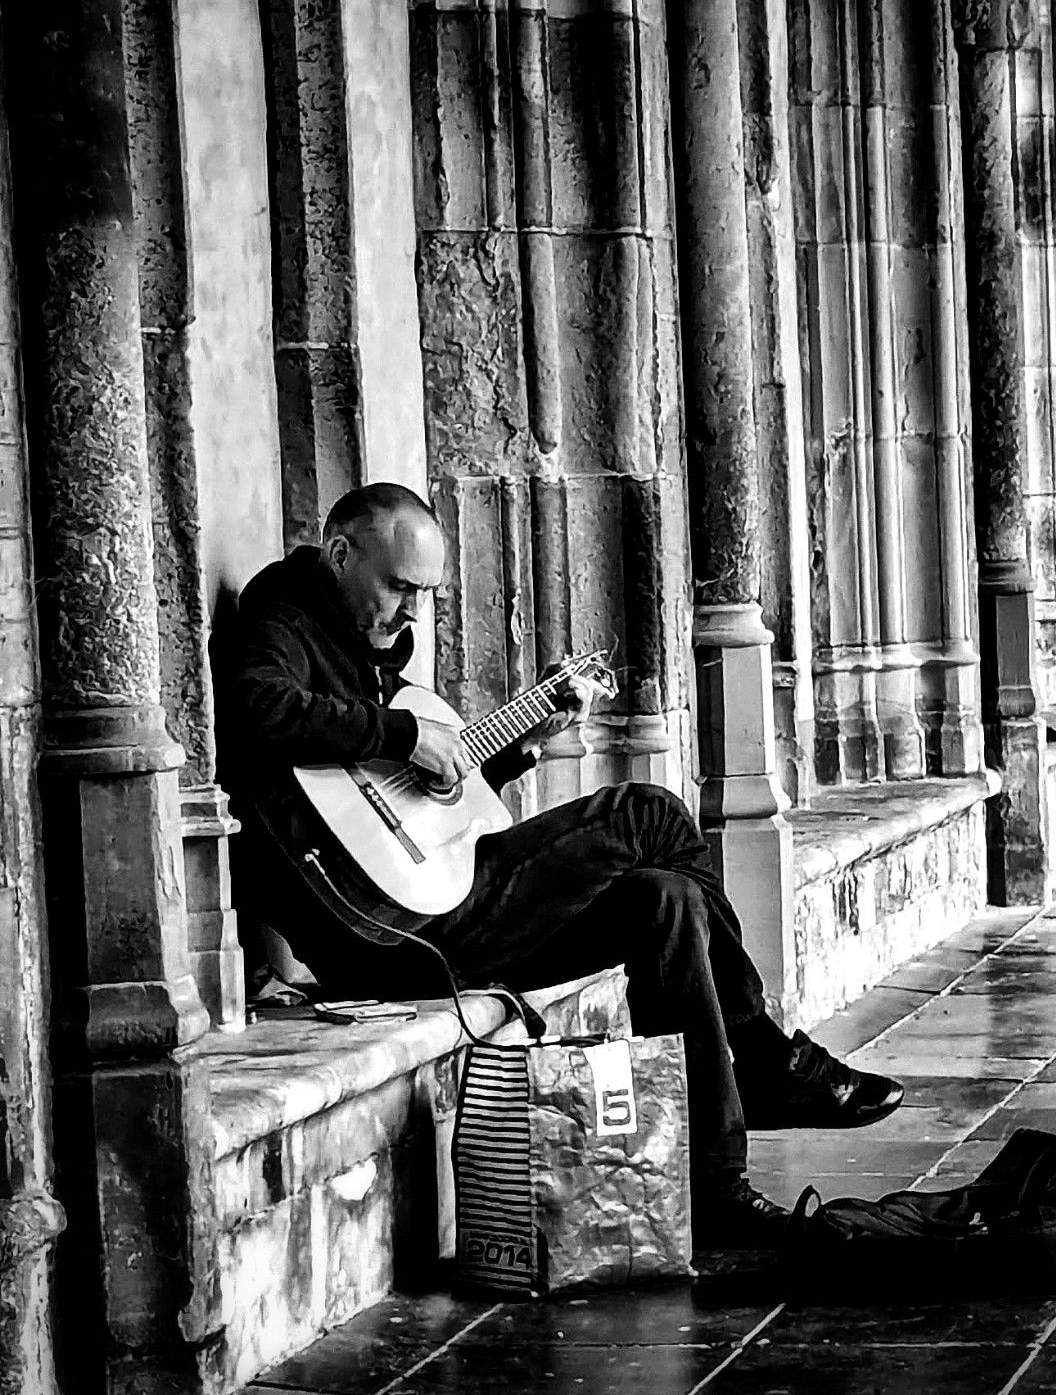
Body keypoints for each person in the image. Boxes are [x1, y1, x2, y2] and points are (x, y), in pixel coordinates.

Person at [216, 482, 905, 1250]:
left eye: (425, 595)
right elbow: (256, 708)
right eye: (399, 588)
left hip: (436, 901)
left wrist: (515, 745)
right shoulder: (280, 613)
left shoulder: (366, 651)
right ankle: (765, 1055)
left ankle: (711, 1184)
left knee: (665, 898)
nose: (412, 612)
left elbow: (417, 806)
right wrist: (404, 734)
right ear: (340, 554)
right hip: (391, 936)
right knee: (648, 813)